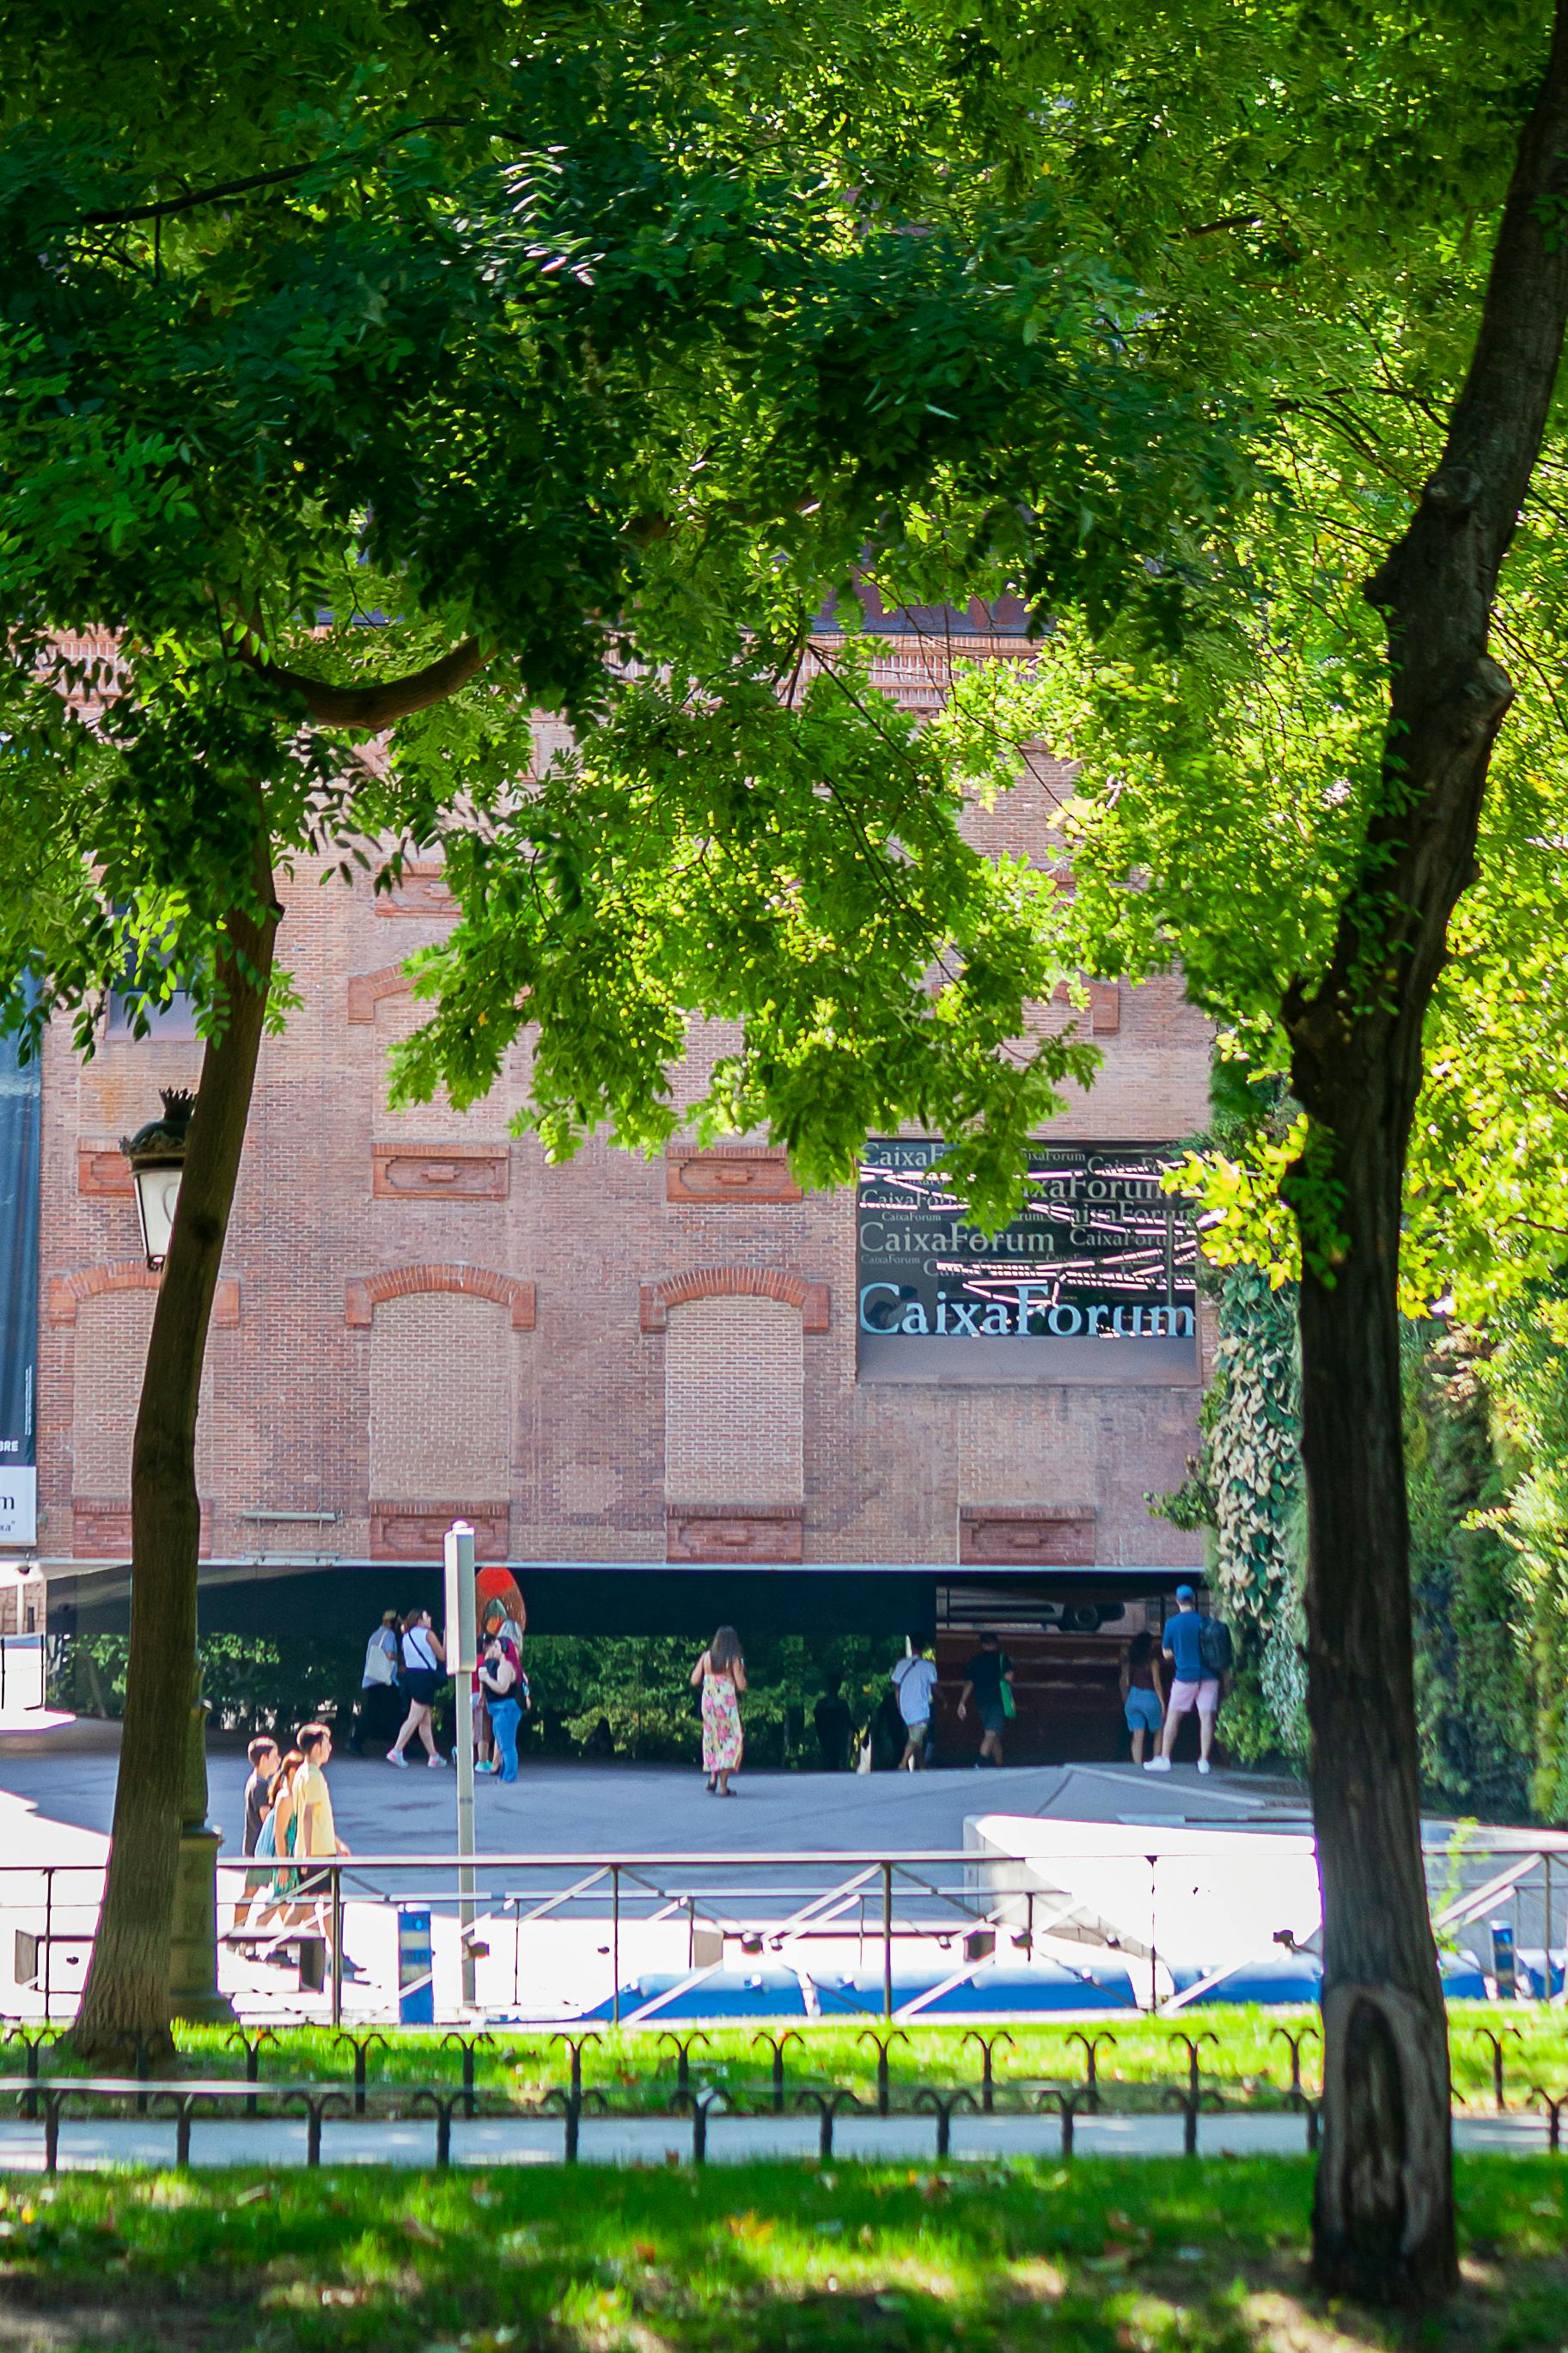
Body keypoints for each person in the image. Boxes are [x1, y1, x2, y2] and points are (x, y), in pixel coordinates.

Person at [1145, 1583, 1221, 1774]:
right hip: (1209, 1675)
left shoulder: (1172, 1624)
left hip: (1186, 1675)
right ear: (1193, 1601)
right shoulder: (1205, 1621)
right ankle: (1204, 1761)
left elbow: (1166, 1654)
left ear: (1177, 1601)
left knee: (1173, 1716)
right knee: (1206, 1717)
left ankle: (1165, 1759)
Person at [228, 1734, 280, 1941]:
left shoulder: (255, 1782)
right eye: (275, 1757)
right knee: (258, 1892)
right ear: (264, 1759)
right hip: (261, 1849)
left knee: (256, 1892)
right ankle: (240, 1935)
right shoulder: (260, 1786)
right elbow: (267, 1817)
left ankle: (240, 1935)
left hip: (254, 1846)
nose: (278, 1761)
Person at [691, 1625, 746, 1796]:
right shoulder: (733, 1659)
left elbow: (694, 1680)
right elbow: (742, 1686)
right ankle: (723, 1787)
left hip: (709, 1704)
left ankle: (713, 1775)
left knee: (713, 1737)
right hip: (726, 1706)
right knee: (730, 1740)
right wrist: (741, 1670)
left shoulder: (706, 1657)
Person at [388, 1606, 447, 1768]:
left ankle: (433, 1756)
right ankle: (397, 1750)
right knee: (415, 1717)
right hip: (424, 1678)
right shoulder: (428, 1634)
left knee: (424, 1720)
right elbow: (442, 1655)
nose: (430, 1618)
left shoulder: (406, 1637)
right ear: (419, 1620)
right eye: (427, 1616)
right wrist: (447, 1639)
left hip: (410, 1677)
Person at [956, 1630, 1014, 1767]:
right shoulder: (1002, 1658)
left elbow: (969, 1683)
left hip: (981, 1702)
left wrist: (962, 1702)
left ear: (982, 1644)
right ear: (996, 1643)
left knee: (995, 1736)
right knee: (991, 1733)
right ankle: (979, 1763)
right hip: (997, 1700)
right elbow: (1009, 1677)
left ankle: (1000, 1765)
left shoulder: (975, 1661)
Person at [477, 1631, 523, 1783]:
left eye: (496, 1646)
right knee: (504, 1743)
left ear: (503, 1650)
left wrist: (486, 1679)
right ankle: (505, 1775)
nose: (493, 1649)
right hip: (501, 1709)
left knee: (506, 1745)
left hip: (505, 1708)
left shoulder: (505, 1666)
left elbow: (502, 1687)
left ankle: (509, 1777)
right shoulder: (509, 1665)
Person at [355, 1610, 402, 1754]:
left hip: (373, 1680)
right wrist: (401, 1659)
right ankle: (401, 1746)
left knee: (374, 1712)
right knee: (392, 1713)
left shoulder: (375, 1635)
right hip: (383, 1681)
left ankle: (356, 1741)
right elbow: (389, 1654)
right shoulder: (388, 1635)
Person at [1120, 1626, 1166, 1767]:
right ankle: (1157, 1760)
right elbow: (1157, 1684)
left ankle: (1137, 1767)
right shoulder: (1153, 1662)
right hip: (1149, 1697)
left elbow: (1127, 1681)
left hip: (1133, 1698)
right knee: (1159, 1731)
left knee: (1137, 1736)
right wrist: (1163, 1705)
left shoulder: (1131, 1661)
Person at [890, 1642, 939, 1770]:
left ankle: (922, 1766)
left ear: (911, 1646)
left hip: (906, 1707)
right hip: (921, 1708)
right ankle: (902, 1763)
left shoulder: (901, 1665)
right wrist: (943, 1699)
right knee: (916, 1736)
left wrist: (898, 1704)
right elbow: (935, 1687)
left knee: (918, 1738)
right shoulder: (928, 1666)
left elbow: (896, 1687)